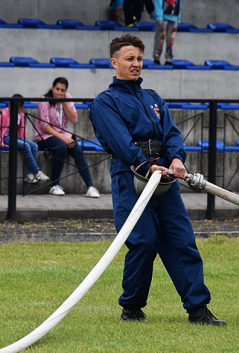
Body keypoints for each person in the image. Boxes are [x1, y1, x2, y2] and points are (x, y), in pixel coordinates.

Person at [89, 34, 226, 326]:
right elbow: (120, 141)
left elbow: (171, 132)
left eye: (139, 58)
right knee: (144, 241)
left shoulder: (153, 98)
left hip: (164, 176)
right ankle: (132, 307)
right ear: (114, 62)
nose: (136, 63)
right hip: (132, 176)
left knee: (182, 240)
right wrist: (145, 164)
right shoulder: (105, 102)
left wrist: (176, 158)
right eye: (130, 58)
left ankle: (198, 309)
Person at [35, 77, 100, 198]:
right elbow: (45, 126)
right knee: (62, 147)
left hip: (62, 135)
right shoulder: (44, 100)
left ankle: (90, 187)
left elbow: (73, 119)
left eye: (62, 90)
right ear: (52, 88)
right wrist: (64, 139)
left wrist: (64, 101)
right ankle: (54, 185)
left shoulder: (68, 97)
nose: (59, 92)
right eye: (57, 89)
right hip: (44, 136)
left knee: (77, 149)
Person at [0, 94, 49, 184]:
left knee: (34, 146)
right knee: (25, 145)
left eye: (18, 106)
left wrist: (25, 139)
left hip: (16, 137)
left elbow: (21, 132)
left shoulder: (21, 116)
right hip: (5, 138)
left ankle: (30, 174)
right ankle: (37, 171)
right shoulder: (3, 114)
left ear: (21, 106)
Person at [152, 0, 180, 66]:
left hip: (174, 17)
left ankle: (168, 58)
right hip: (163, 17)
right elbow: (158, 2)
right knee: (160, 38)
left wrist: (178, 18)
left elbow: (179, 3)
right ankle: (156, 57)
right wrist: (159, 17)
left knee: (171, 39)